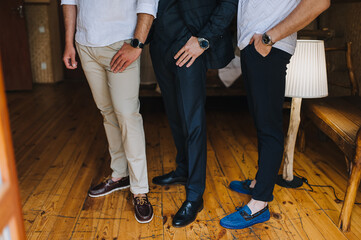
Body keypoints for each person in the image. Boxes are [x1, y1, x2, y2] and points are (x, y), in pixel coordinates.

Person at [220, 0, 330, 229]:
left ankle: (259, 204)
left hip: (269, 46)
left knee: (269, 128)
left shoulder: (269, 42)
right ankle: (260, 182)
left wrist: (270, 37)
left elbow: (320, 2)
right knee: (262, 124)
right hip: (257, 46)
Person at [61, 0, 158, 224]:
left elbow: (148, 4)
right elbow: (68, 1)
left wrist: (136, 44)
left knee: (127, 115)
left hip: (121, 43)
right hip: (85, 44)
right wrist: (69, 42)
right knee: (107, 112)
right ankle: (119, 174)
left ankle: (140, 190)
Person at [149, 0, 238, 227]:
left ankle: (195, 194)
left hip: (189, 42)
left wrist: (203, 39)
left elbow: (230, 2)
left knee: (193, 120)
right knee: (174, 113)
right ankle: (183, 169)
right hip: (158, 42)